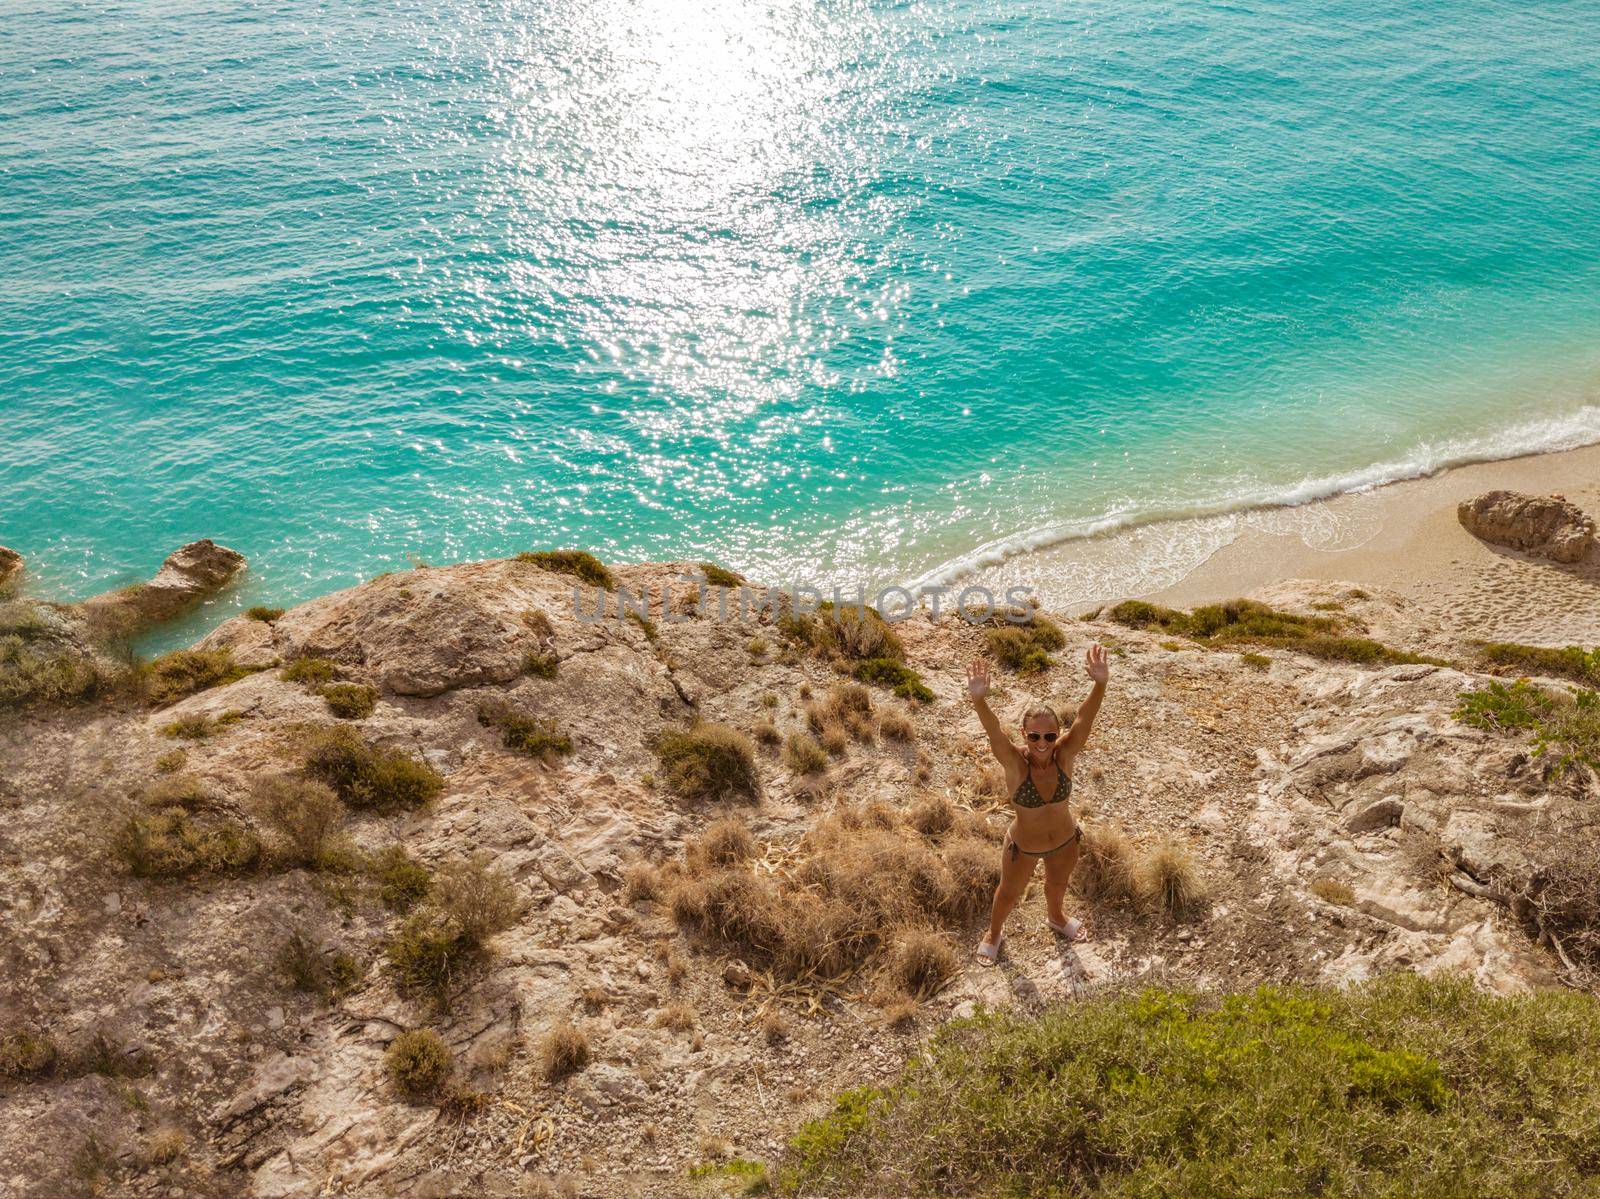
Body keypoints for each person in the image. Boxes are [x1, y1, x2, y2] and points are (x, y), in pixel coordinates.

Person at [966, 643, 1109, 963]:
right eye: (1034, 737)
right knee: (1008, 894)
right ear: (1024, 734)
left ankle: (1056, 918)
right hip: (1023, 847)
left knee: (1057, 885)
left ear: (1057, 734)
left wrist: (1100, 684)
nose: (1042, 744)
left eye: (1048, 736)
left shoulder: (1065, 755)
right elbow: (994, 734)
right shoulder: (1016, 765)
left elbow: (1085, 718)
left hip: (1065, 841)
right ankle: (993, 933)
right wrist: (979, 701)